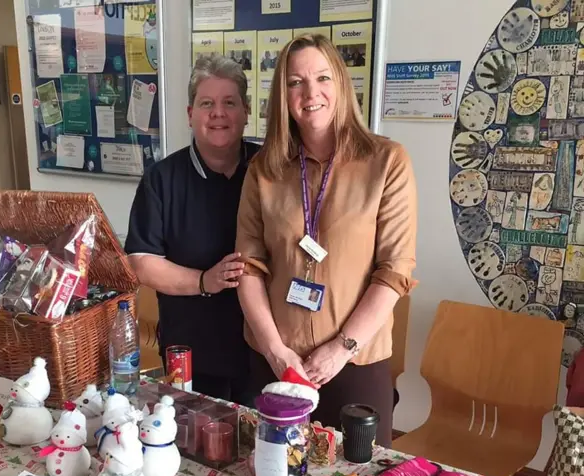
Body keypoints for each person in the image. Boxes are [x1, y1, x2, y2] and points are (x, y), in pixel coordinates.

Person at [235, 34, 417, 446]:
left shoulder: (387, 161)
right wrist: (277, 352)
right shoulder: (263, 168)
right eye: (295, 82)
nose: (310, 92)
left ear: (341, 84)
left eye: (322, 78)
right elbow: (247, 265)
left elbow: (395, 270)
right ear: (283, 95)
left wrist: (341, 348)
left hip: (355, 360)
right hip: (277, 360)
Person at [125, 54, 260, 404]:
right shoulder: (162, 179)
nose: (218, 113)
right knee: (193, 451)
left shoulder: (271, 169)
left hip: (263, 352)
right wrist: (205, 281)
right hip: (193, 352)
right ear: (190, 114)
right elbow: (142, 262)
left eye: (229, 102)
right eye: (207, 103)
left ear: (245, 111)